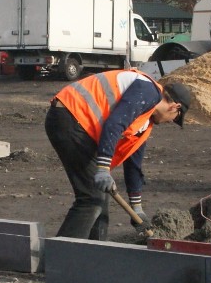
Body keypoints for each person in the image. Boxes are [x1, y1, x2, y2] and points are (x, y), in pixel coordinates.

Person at [45, 66, 191, 241]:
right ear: (175, 107)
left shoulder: (145, 120)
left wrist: (137, 208)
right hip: (70, 115)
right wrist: (103, 168)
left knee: (100, 199)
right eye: (175, 119)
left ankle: (96, 254)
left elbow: (133, 163)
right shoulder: (149, 91)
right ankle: (61, 257)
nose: (170, 122)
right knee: (92, 198)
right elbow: (115, 123)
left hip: (78, 123)